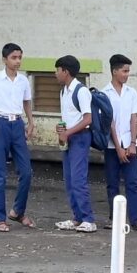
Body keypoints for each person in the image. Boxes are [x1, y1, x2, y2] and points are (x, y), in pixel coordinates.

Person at [0, 43, 35, 231]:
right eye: (13, 58)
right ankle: (0, 218)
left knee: (26, 172)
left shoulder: (24, 80)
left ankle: (18, 211)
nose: (17, 61)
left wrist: (31, 122)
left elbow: (26, 101)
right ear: (5, 59)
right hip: (0, 124)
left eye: (19, 57)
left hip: (17, 124)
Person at [100, 54, 137, 232]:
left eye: (128, 71)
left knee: (133, 182)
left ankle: (136, 219)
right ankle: (114, 218)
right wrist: (118, 148)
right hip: (112, 146)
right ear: (114, 71)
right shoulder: (104, 94)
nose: (127, 75)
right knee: (112, 183)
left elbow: (133, 119)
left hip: (129, 144)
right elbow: (109, 122)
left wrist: (133, 143)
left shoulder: (131, 92)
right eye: (124, 71)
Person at [54, 54, 96, 232]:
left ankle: (89, 219)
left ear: (66, 71)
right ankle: (77, 217)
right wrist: (62, 130)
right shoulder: (64, 91)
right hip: (68, 137)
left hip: (79, 138)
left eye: (57, 70)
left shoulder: (81, 91)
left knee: (78, 179)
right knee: (69, 179)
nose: (55, 74)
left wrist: (69, 132)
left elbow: (88, 119)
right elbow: (70, 117)